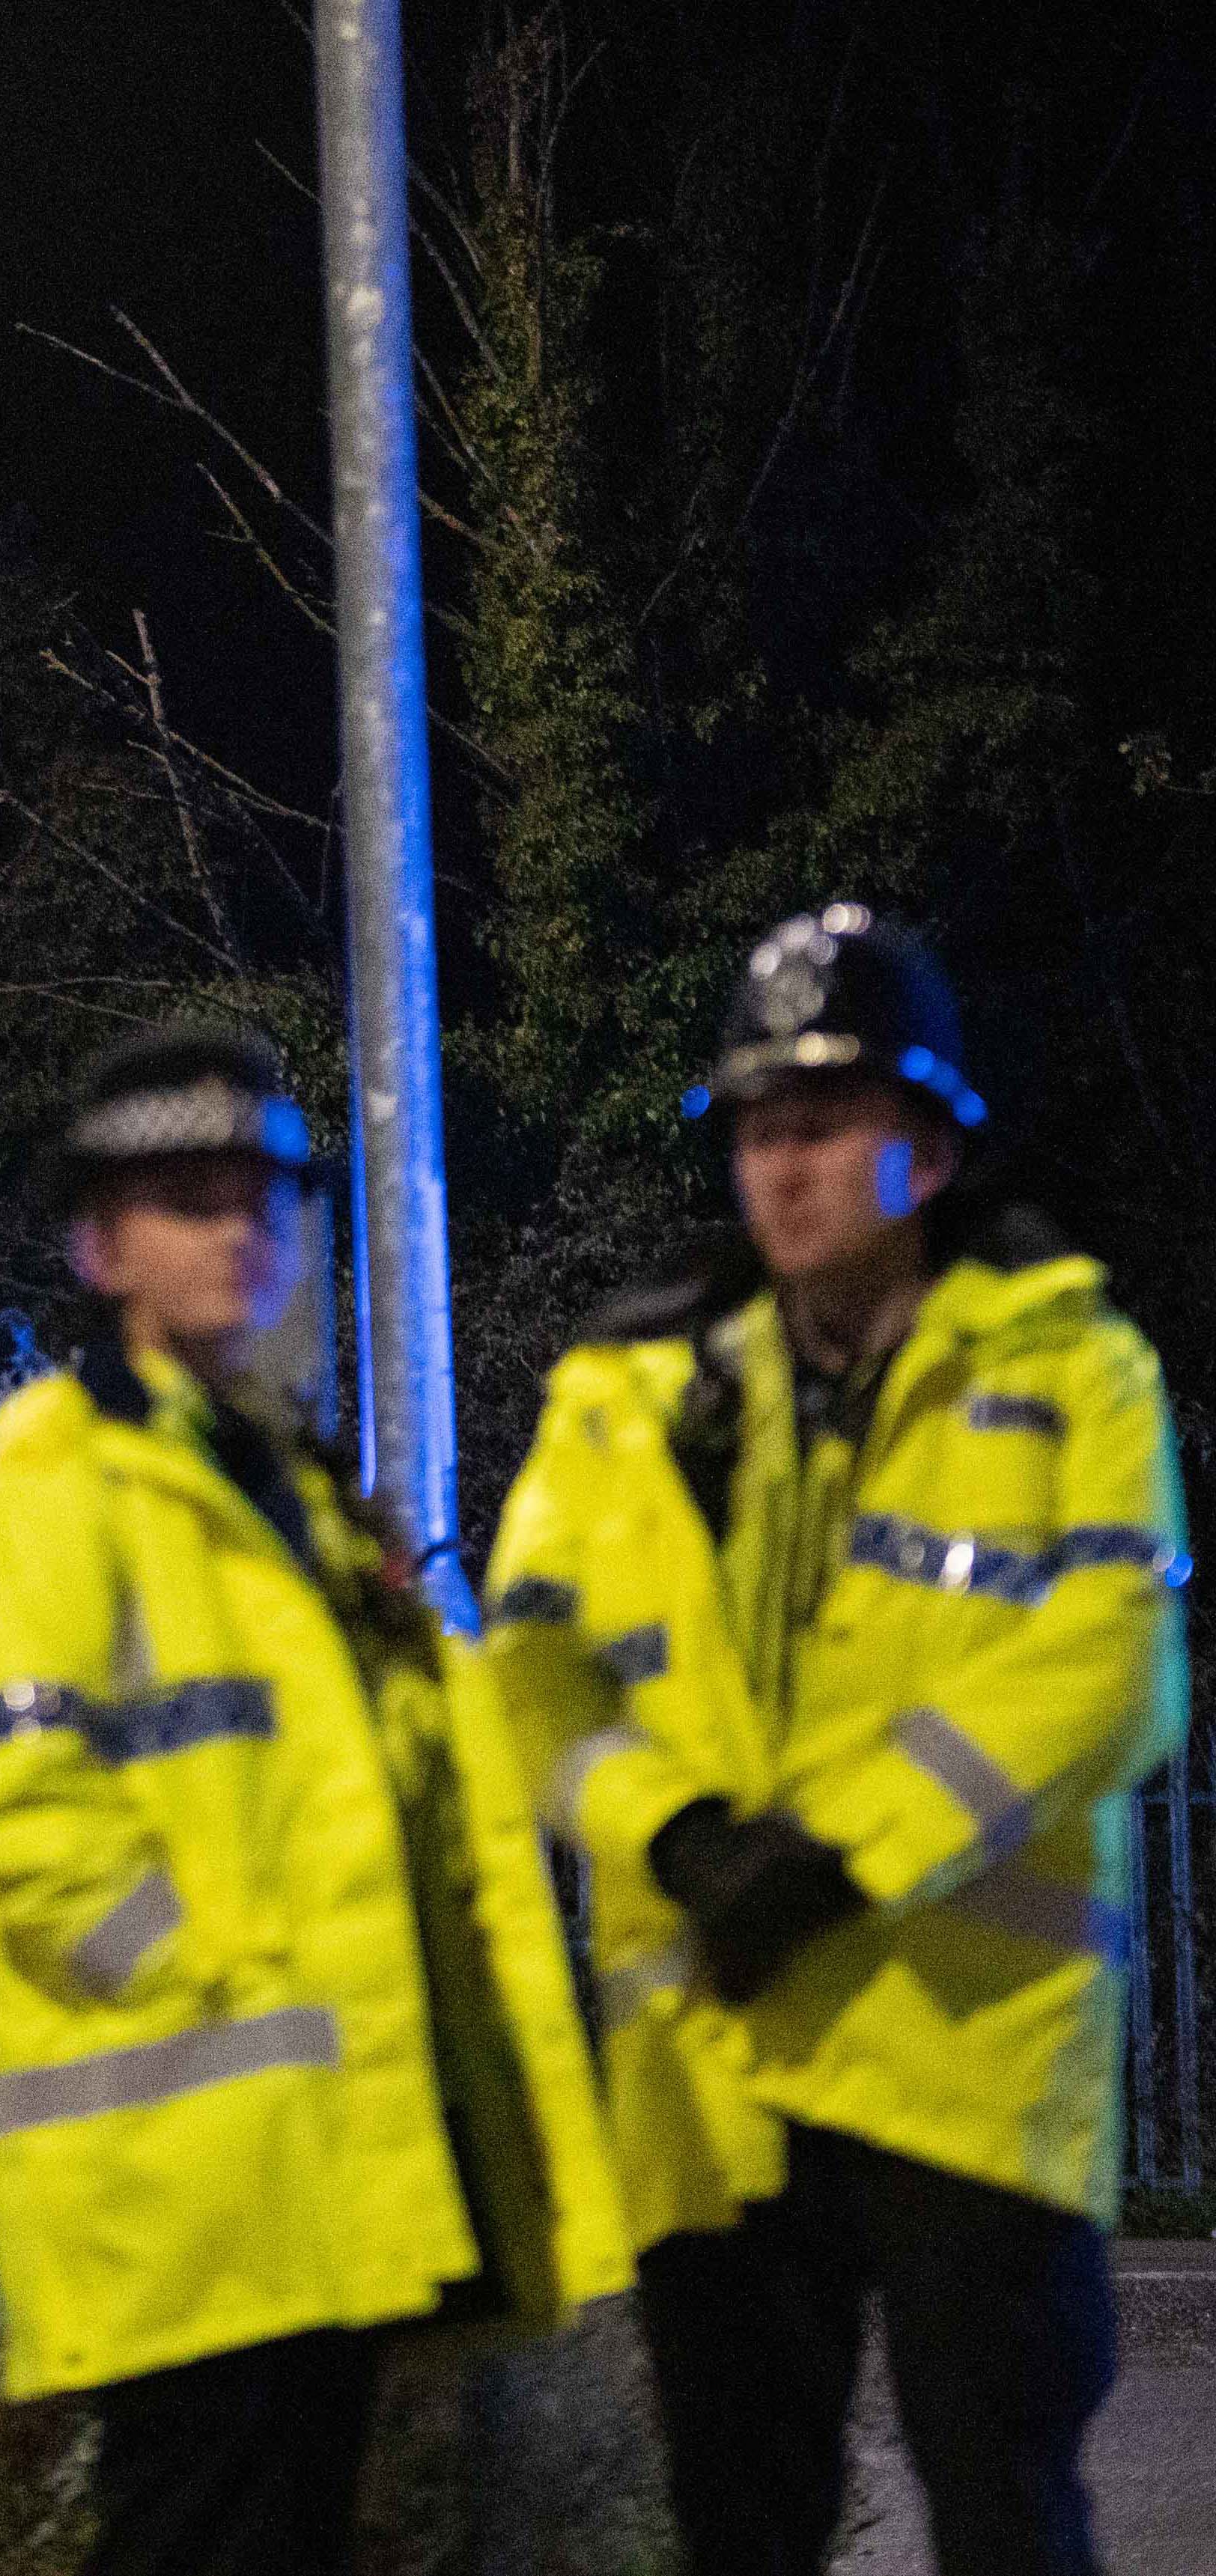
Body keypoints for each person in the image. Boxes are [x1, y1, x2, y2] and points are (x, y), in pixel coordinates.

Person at [482, 907, 1189, 2576]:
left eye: (823, 1123)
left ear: (928, 1146)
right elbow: (524, 1668)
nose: (779, 1165)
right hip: (715, 2065)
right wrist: (672, 1835)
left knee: (1006, 2511)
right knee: (740, 2523)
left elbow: (1111, 1663)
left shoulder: (1072, 1365)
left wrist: (842, 1850)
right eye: (754, 1128)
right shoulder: (624, 1389)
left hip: (962, 2058)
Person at [0, 1023, 629, 2576]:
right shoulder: (29, 1502)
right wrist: (228, 1986)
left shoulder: (285, 1489)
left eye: (260, 1198)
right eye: (184, 1197)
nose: (236, 1229)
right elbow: (25, 1829)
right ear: (98, 1244)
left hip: (301, 2170)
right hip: (186, 2183)